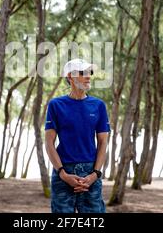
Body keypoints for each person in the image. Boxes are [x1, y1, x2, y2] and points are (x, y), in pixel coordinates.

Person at [44, 58, 110, 213]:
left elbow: (103, 143)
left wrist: (95, 174)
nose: (88, 76)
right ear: (70, 77)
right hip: (63, 171)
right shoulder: (56, 105)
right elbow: (49, 143)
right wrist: (63, 174)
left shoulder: (99, 106)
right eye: (82, 73)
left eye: (89, 73)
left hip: (91, 173)